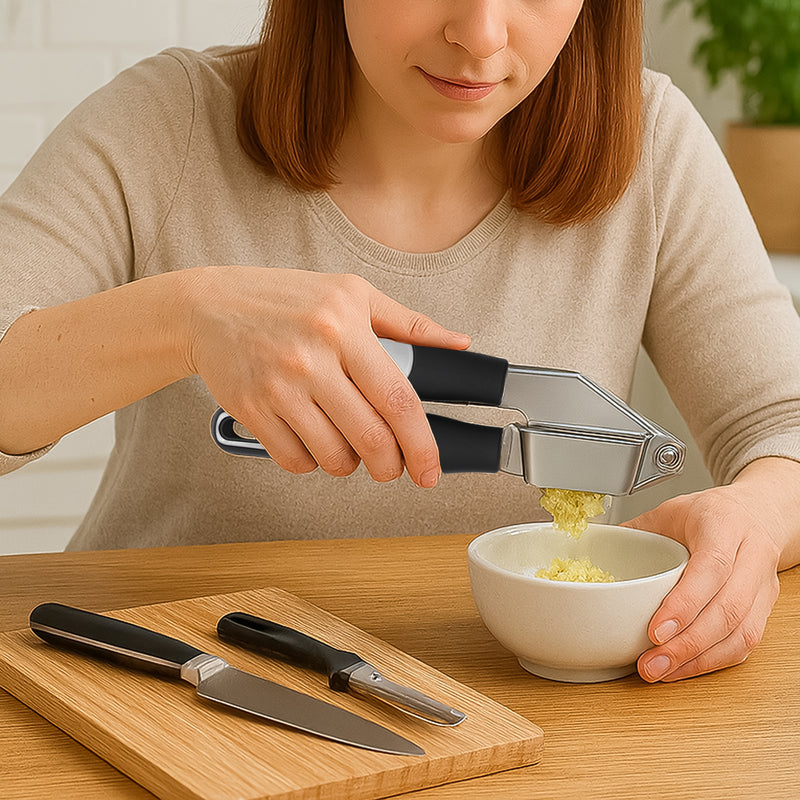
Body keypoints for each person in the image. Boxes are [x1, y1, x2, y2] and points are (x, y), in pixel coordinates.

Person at [1, 0, 799, 685]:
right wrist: (186, 318)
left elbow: (784, 422)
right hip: (147, 672)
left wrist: (756, 518)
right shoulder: (167, 122)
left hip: (504, 709)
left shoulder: (650, 142)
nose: (482, 35)